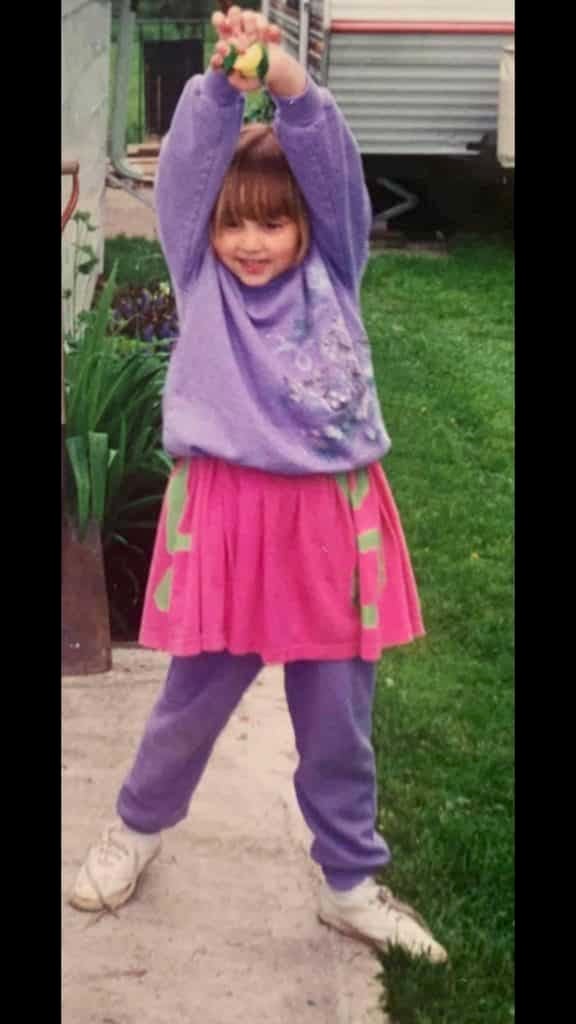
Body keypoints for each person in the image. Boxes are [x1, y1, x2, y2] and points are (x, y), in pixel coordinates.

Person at [70, 6, 447, 964]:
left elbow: (330, 168)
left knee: (337, 724)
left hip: (330, 517)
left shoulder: (339, 269)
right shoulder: (198, 277)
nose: (251, 242)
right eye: (236, 223)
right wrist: (220, 86)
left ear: (310, 226)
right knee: (189, 703)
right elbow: (192, 172)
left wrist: (287, 80)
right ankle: (136, 832)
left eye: (273, 223)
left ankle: (349, 882)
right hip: (227, 518)